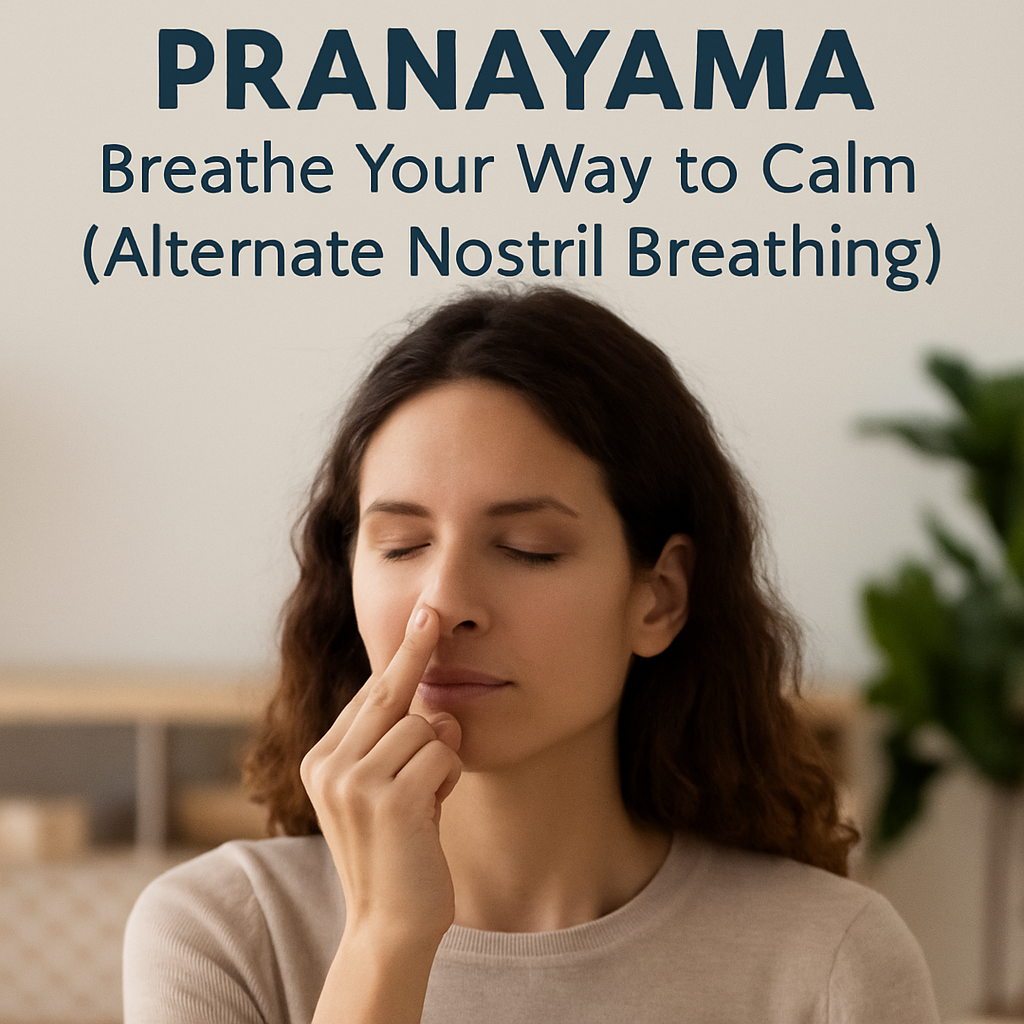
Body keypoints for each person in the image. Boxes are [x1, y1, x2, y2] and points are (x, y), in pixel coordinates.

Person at [123, 286, 939, 1023]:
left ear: (659, 598)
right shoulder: (221, 933)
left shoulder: (833, 962)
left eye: (528, 548)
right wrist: (385, 941)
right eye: (401, 544)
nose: (442, 605)